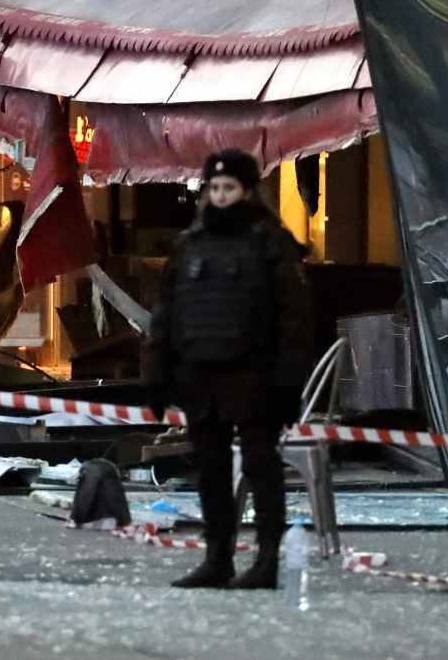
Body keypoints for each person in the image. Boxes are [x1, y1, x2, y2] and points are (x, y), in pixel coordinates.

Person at [144, 148, 313, 590]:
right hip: (201, 377)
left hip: (254, 378)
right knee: (211, 471)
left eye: (230, 188)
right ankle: (217, 558)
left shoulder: (270, 244)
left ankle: (266, 561)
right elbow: (166, 314)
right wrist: (156, 375)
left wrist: (287, 383)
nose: (221, 196)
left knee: (261, 467)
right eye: (215, 187)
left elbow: (293, 320)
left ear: (248, 191)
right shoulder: (189, 246)